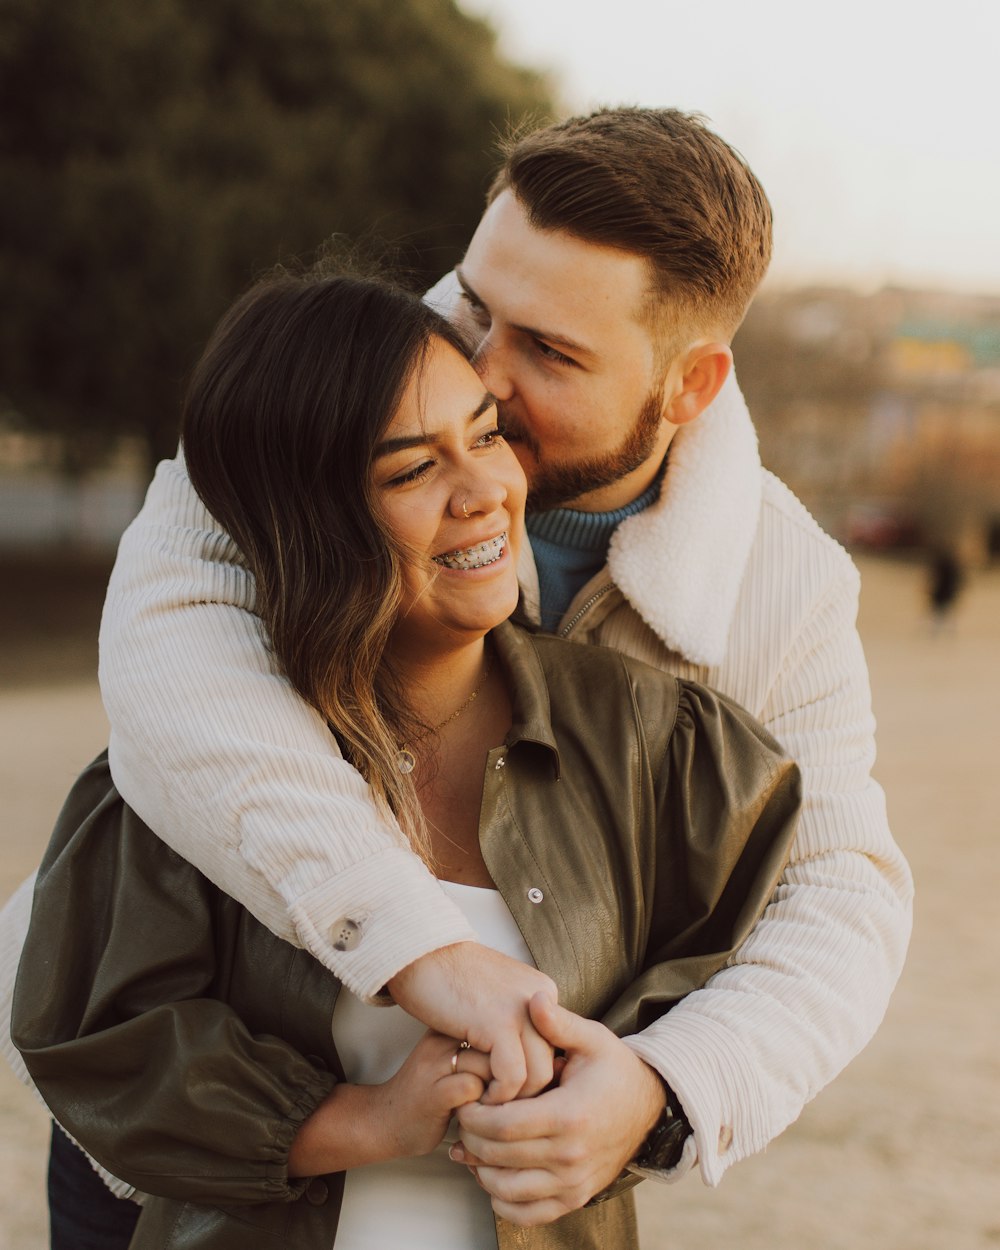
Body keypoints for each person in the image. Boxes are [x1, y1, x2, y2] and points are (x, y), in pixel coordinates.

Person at [4, 105, 912, 1229]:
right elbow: (173, 670)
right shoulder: (313, 402)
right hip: (197, 1106)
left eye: (551, 350)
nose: (477, 365)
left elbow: (838, 895)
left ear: (690, 385)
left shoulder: (785, 586)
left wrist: (663, 1085)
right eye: (477, 303)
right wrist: (418, 951)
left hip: (495, 1166)